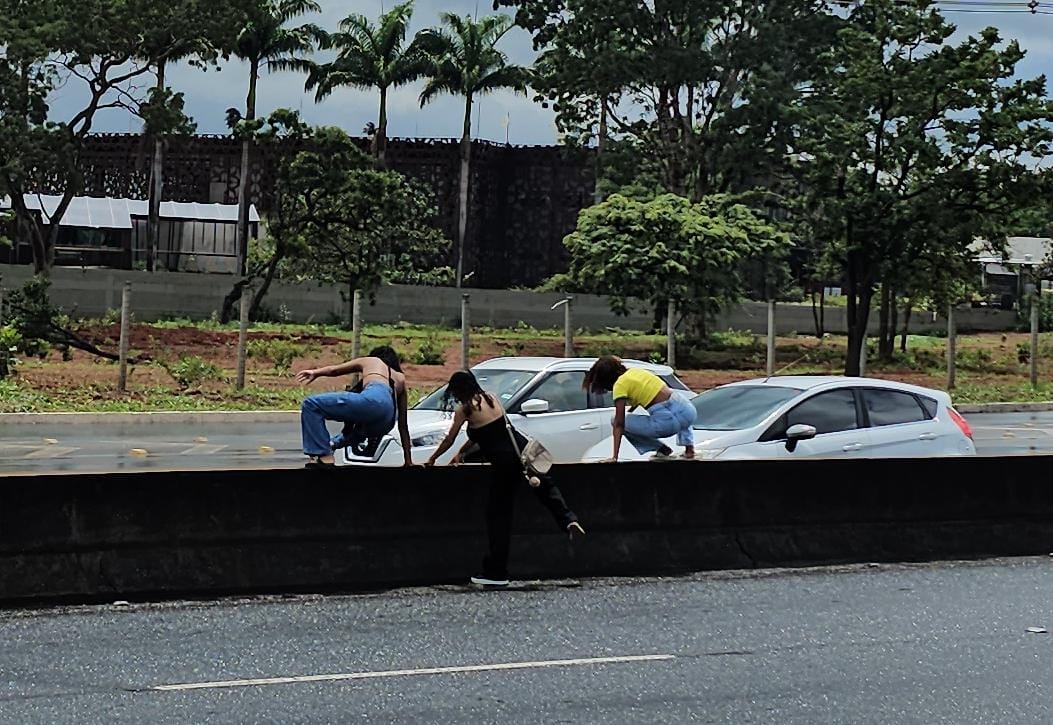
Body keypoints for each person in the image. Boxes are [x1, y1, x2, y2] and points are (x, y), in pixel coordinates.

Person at [424, 370, 585, 588]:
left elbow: (449, 439)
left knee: (498, 518)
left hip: (504, 464)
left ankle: (496, 572)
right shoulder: (492, 398)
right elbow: (488, 431)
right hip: (521, 450)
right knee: (546, 487)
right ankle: (568, 520)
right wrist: (462, 452)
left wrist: (432, 459)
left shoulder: (464, 410)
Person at [295, 345, 413, 469]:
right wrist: (408, 461)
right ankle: (331, 444)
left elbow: (334, 371)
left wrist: (315, 372)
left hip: (374, 400)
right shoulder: (400, 378)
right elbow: (403, 426)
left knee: (311, 404)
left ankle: (323, 454)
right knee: (356, 433)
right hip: (386, 421)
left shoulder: (372, 360)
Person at [584, 355, 697, 461]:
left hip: (666, 424)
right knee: (676, 407)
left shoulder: (619, 385)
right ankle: (689, 449)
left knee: (614, 420)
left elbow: (619, 423)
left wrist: (614, 457)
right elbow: (646, 395)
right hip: (688, 411)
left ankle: (662, 449)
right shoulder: (636, 372)